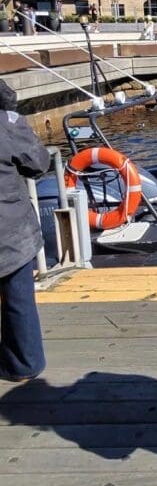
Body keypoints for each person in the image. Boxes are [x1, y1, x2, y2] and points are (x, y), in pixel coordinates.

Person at [0, 80, 50, 381]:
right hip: (11, 232)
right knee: (18, 300)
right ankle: (24, 363)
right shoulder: (7, 124)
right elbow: (39, 164)